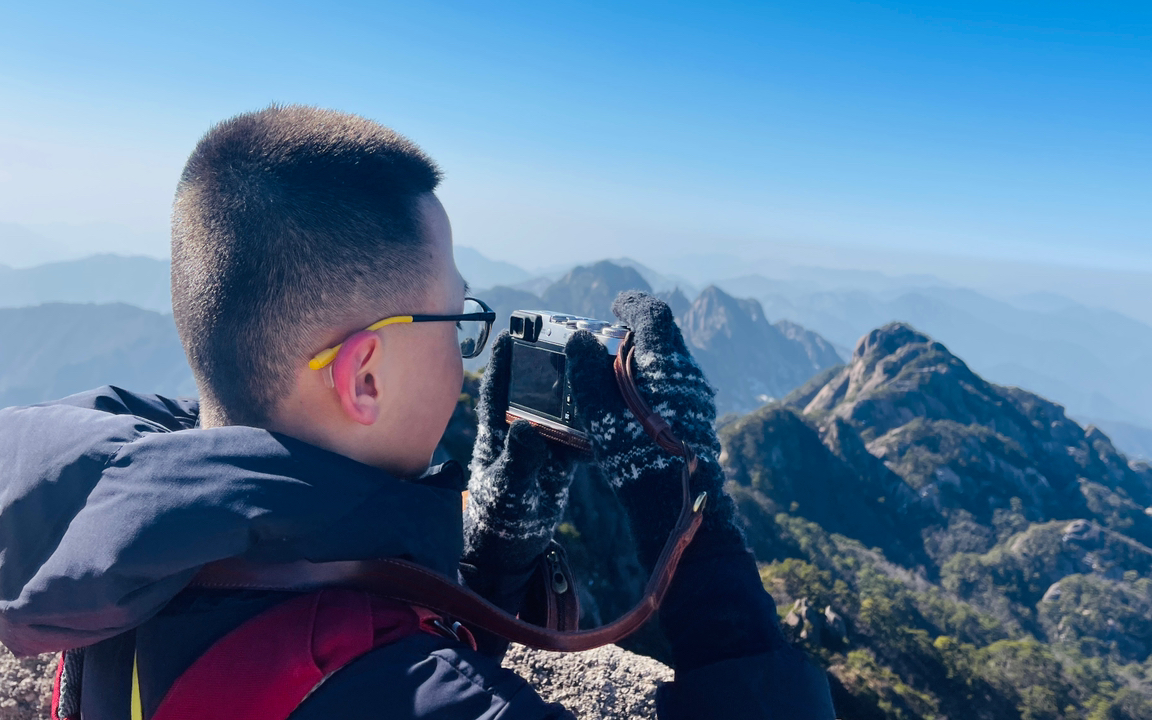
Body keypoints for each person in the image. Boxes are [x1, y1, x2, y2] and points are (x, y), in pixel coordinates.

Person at [0, 106, 834, 719]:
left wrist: (491, 557)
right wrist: (692, 521)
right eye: (457, 323)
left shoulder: (107, 539)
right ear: (364, 375)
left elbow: (346, 634)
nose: (466, 353)